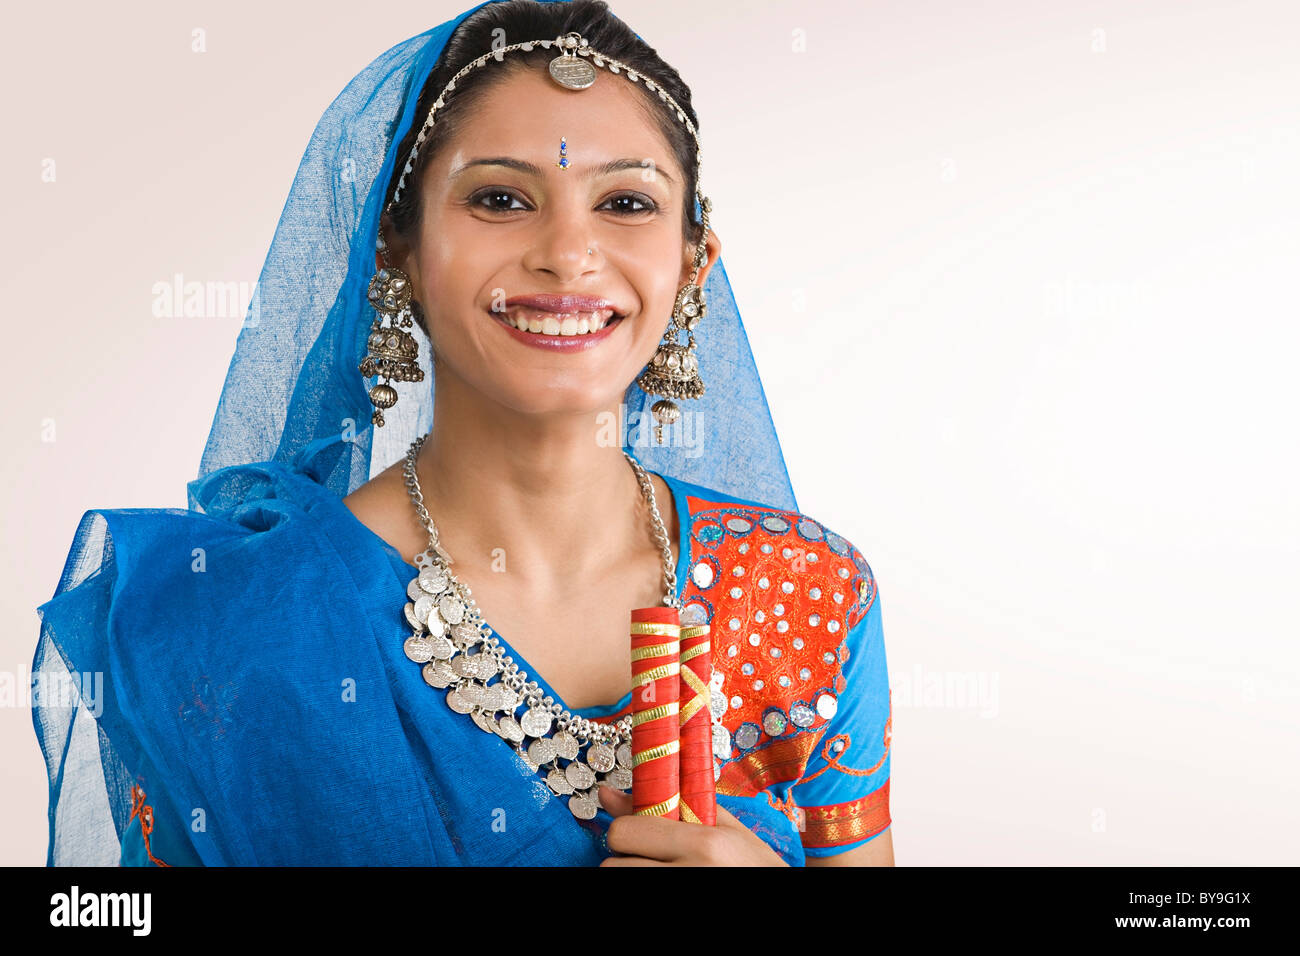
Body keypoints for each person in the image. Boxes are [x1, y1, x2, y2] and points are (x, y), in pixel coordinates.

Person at [33, 0, 893, 867]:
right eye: (499, 198)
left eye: (626, 201)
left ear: (693, 261)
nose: (568, 252)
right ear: (394, 247)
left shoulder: (809, 595)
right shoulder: (234, 624)